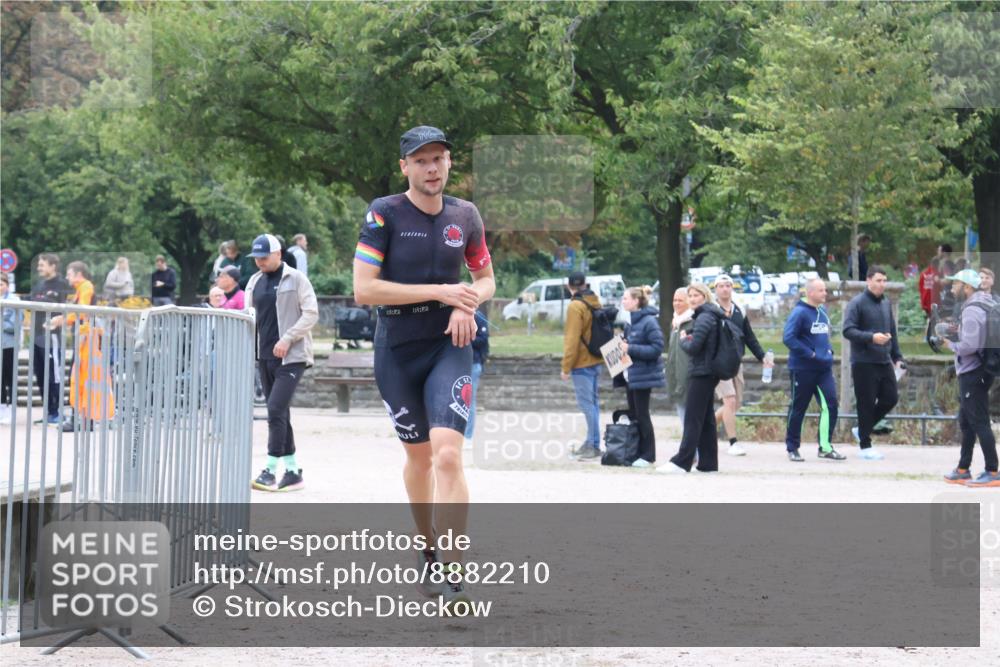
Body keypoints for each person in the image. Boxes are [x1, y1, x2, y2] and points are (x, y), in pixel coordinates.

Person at [352, 125, 494, 611]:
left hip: (449, 344)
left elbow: (486, 278)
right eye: (421, 160)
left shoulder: (465, 215)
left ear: (449, 163)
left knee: (449, 455)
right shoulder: (384, 212)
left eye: (439, 158)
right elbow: (364, 289)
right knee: (420, 460)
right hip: (396, 348)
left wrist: (467, 303)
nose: (432, 168)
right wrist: (442, 292)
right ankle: (427, 546)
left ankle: (454, 571)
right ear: (405, 167)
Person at [246, 233, 318, 493]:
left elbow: (311, 313)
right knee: (281, 413)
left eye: (264, 257)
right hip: (264, 356)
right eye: (256, 258)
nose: (260, 262)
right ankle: (292, 471)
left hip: (292, 357)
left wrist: (288, 338)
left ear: (278, 254)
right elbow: (250, 316)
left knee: (275, 409)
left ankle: (269, 470)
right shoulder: (254, 281)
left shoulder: (296, 279)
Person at [659, 283, 725, 474]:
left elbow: (694, 347)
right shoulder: (708, 315)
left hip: (701, 373)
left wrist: (684, 339)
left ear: (705, 296)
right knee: (706, 420)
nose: (693, 299)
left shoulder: (704, 317)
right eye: (691, 296)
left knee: (692, 419)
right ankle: (708, 463)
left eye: (696, 295)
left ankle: (682, 462)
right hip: (706, 372)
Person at [941, 270, 998, 486]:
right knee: (966, 421)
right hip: (982, 370)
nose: (952, 287)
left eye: (955, 283)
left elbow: (968, 346)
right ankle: (963, 468)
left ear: (966, 287)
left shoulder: (972, 309)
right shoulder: (986, 302)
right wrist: (959, 330)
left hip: (973, 372)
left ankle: (993, 471)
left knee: (979, 422)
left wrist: (949, 344)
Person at [842, 266, 905, 460]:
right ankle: (865, 446)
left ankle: (862, 429)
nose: (882, 284)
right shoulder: (857, 303)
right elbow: (848, 330)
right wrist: (871, 337)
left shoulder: (885, 303)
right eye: (878, 280)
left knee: (891, 398)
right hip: (863, 362)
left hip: (884, 360)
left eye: (884, 281)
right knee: (866, 403)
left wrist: (897, 357)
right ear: (868, 280)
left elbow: (892, 332)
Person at [782, 278, 846, 462]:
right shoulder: (799, 312)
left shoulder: (822, 311)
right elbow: (788, 338)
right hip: (802, 369)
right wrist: (810, 354)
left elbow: (822, 337)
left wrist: (828, 351)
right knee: (798, 408)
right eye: (821, 290)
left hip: (823, 369)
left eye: (825, 290)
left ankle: (825, 447)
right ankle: (792, 448)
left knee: (831, 405)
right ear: (810, 293)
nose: (825, 293)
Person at [712, 274, 772, 457]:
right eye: (721, 286)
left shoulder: (739, 311)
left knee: (735, 404)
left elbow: (749, 337)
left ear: (732, 288)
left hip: (736, 362)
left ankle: (703, 428)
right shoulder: (712, 310)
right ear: (715, 289)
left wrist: (762, 356)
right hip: (718, 363)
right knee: (729, 400)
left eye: (728, 285)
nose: (725, 289)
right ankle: (733, 442)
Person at [561, 271, 604, 460]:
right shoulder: (595, 301)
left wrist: (566, 367)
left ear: (569, 286)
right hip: (596, 359)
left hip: (581, 363)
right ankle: (592, 442)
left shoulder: (575, 306)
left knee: (587, 405)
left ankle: (593, 445)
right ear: (585, 284)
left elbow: (572, 339)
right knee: (593, 405)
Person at [620, 285, 665, 467]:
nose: (623, 301)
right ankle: (637, 452)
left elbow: (657, 348)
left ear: (636, 301)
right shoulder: (630, 322)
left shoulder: (649, 322)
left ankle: (648, 455)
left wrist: (630, 348)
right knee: (634, 414)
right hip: (631, 375)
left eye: (625, 298)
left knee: (642, 414)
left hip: (643, 376)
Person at [28, 254, 71, 425]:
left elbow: (64, 307)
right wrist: (43, 300)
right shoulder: (39, 285)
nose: (39, 268)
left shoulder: (63, 284)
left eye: (42, 265)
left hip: (52, 335)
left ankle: (58, 412)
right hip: (36, 335)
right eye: (38, 264)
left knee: (54, 374)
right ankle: (49, 411)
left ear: (53, 266)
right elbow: (31, 303)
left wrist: (42, 301)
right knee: (40, 374)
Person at [664, 287, 694, 422]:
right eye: (674, 300)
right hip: (676, 376)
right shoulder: (675, 321)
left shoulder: (692, 322)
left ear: (688, 301)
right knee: (682, 414)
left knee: (690, 419)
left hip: (689, 377)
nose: (676, 303)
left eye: (680, 300)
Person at [464, 309, 489, 442]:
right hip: (457, 363)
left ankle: (468, 436)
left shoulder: (479, 317)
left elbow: (483, 339)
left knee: (469, 400)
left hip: (473, 364)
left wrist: (464, 336)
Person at [1, 275, 22, 425]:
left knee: (10, 378)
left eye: (1, 284)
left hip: (9, 345)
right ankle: (2, 408)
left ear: (7, 285)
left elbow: (15, 325)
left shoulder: (14, 301)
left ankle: (12, 409)